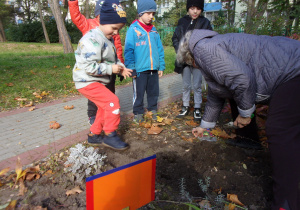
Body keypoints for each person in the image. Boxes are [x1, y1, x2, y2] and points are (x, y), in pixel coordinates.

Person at [177, 29, 300, 210]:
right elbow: (216, 92)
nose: (195, 68)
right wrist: (205, 126)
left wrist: (245, 115)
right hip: (292, 68)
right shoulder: (211, 45)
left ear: (191, 58)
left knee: (280, 129)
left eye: (192, 65)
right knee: (290, 131)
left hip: (294, 70)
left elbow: (242, 79)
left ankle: (285, 203)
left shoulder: (203, 49)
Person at [72, 0, 132, 150]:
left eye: (119, 29)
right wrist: (110, 69)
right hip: (86, 80)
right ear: (103, 21)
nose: (116, 33)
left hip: (96, 80)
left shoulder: (108, 38)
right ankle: (110, 134)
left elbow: (115, 58)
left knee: (103, 108)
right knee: (112, 102)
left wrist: (121, 67)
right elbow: (88, 66)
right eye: (114, 28)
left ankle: (94, 135)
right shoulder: (91, 40)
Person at [69, 0, 124, 125]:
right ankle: (92, 116)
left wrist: (120, 66)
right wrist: (73, 2)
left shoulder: (113, 29)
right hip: (94, 69)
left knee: (110, 92)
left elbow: (117, 48)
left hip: (110, 69)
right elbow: (76, 16)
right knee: (95, 95)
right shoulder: (89, 25)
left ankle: (107, 114)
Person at [124, 0, 165, 123]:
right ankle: (138, 112)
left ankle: (153, 109)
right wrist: (131, 67)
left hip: (153, 68)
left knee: (153, 92)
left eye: (153, 14)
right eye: (148, 13)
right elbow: (129, 50)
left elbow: (159, 49)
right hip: (140, 70)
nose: (151, 17)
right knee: (139, 93)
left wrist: (161, 66)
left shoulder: (154, 30)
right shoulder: (133, 29)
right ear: (141, 13)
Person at [172, 0, 212, 122]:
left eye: (198, 9)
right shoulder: (182, 21)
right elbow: (175, 38)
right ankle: (185, 106)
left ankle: (197, 108)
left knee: (197, 85)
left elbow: (210, 40)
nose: (195, 11)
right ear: (188, 8)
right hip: (184, 61)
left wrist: (198, 54)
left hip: (197, 61)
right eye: (192, 8)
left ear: (201, 10)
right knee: (186, 85)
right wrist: (180, 51)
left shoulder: (205, 23)